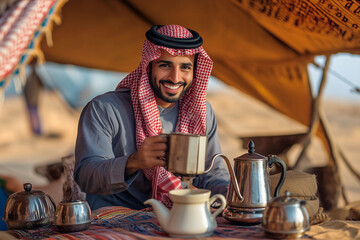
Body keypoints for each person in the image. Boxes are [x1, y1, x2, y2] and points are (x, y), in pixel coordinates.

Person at [74, 24, 230, 210]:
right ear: (148, 66)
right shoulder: (105, 109)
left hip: (178, 213)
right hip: (114, 217)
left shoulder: (201, 111)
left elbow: (211, 174)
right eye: (165, 65)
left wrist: (235, 192)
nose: (175, 78)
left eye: (185, 68)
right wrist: (134, 161)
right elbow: (86, 178)